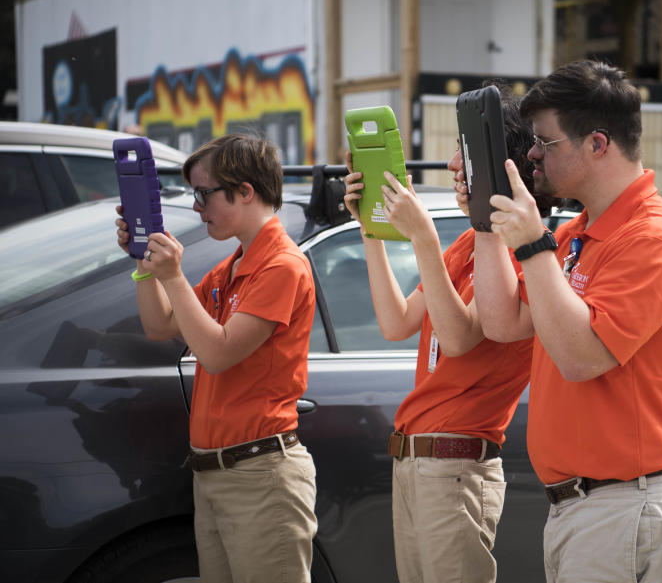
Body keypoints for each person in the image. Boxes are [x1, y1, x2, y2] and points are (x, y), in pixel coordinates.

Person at [471, 60, 662, 583]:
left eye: (546, 143)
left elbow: (581, 357)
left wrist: (532, 246)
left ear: (598, 144)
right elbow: (503, 323)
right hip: (592, 508)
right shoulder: (579, 232)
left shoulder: (654, 238)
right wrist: (485, 223)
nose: (531, 153)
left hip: (627, 505)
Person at [342, 85, 555, 583]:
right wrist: (370, 230)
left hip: (457, 465)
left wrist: (422, 236)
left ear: (504, 162)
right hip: (419, 459)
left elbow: (459, 339)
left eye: (466, 156)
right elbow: (397, 322)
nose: (454, 166)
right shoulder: (470, 240)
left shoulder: (525, 246)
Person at [115, 134, 318, 583]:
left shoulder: (281, 265)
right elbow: (160, 326)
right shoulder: (233, 267)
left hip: (261, 476)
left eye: (203, 193)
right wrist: (144, 264)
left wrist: (172, 275)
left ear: (245, 190)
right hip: (219, 473)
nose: (195, 207)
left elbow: (216, 352)